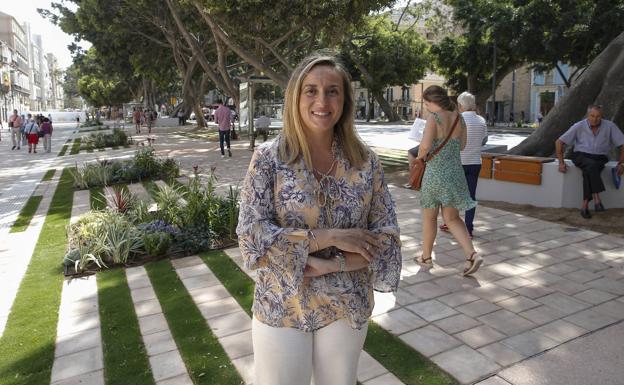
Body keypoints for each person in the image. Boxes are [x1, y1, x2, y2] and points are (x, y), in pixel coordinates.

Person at [236, 53, 401, 385]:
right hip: (283, 302)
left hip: (346, 301)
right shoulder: (270, 158)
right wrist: (331, 237)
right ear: (296, 97)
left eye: (332, 91)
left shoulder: (365, 161)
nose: (322, 101)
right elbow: (251, 235)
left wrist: (332, 265)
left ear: (345, 99)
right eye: (310, 90)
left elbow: (386, 239)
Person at [409, 85, 482, 276]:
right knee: (452, 218)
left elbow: (424, 147)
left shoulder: (434, 118)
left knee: (429, 217)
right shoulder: (460, 119)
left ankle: (426, 257)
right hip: (455, 173)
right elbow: (463, 146)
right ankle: (471, 254)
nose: (425, 107)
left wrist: (421, 156)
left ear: (435, 102)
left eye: (426, 103)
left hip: (435, 174)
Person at [556, 105, 624, 219]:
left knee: (589, 170)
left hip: (599, 158)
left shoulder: (610, 126)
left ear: (602, 116)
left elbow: (623, 143)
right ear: (588, 115)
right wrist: (561, 162)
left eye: (598, 116)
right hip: (580, 156)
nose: (595, 119)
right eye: (592, 116)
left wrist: (621, 163)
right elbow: (559, 142)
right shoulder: (579, 126)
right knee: (591, 166)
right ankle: (596, 199)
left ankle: (585, 205)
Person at [439, 92, 488, 238]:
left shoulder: (457, 119)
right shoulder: (481, 120)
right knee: (470, 197)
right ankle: (468, 229)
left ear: (460, 105)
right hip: (474, 163)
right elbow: (484, 140)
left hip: (457, 163)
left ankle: (450, 223)